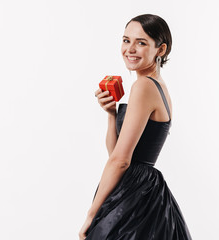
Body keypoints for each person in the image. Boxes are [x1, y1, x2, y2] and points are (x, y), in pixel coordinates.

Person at [79, 14, 192, 240]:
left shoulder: (144, 86)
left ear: (160, 50)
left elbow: (121, 160)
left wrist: (92, 215)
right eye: (126, 40)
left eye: (141, 43)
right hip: (143, 190)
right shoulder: (157, 86)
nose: (130, 49)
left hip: (134, 198)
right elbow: (116, 154)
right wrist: (112, 114)